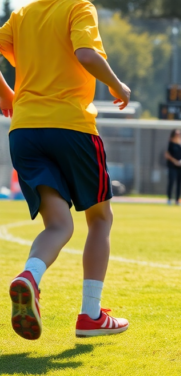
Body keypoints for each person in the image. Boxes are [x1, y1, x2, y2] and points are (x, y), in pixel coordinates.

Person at [1, 0, 131, 340]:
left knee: (58, 225)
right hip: (71, 127)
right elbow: (86, 55)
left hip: (24, 130)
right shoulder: (78, 8)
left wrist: (5, 94)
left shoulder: (22, 15)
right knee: (100, 218)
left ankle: (30, 276)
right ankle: (91, 315)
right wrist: (118, 86)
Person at [165, 129, 181, 206]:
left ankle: (177, 200)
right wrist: (175, 161)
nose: (178, 135)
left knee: (179, 183)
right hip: (172, 166)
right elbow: (167, 154)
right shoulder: (171, 144)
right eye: (177, 134)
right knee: (171, 182)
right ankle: (169, 200)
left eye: (179, 134)